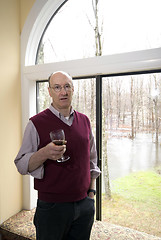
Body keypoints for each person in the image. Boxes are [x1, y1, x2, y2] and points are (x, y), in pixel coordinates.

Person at [14, 71, 101, 240]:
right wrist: (44, 153)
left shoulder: (85, 121)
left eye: (67, 86)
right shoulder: (36, 123)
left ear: (73, 89)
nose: (63, 92)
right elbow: (21, 165)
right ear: (49, 91)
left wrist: (91, 192)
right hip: (52, 208)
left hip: (84, 204)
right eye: (57, 87)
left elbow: (92, 160)